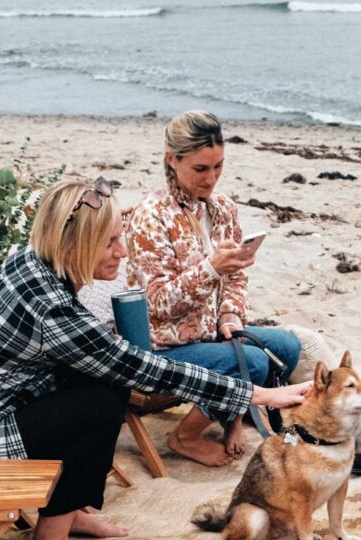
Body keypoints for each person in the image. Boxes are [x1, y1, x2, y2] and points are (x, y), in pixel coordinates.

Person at [0, 176, 310, 540]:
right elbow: (145, 369)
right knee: (98, 403)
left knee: (105, 384)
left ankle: (67, 510)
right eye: (110, 243)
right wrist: (259, 394)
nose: (123, 252)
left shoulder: (34, 263)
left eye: (121, 237)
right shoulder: (49, 306)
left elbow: (111, 362)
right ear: (72, 246)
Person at [126, 111, 301, 467]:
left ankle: (232, 413)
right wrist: (210, 269)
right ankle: (185, 436)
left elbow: (235, 278)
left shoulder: (223, 208)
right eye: (201, 169)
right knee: (251, 362)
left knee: (287, 347)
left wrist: (230, 315)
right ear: (173, 160)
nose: (212, 179)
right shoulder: (151, 216)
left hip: (210, 334)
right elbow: (156, 304)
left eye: (218, 166)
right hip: (163, 345)